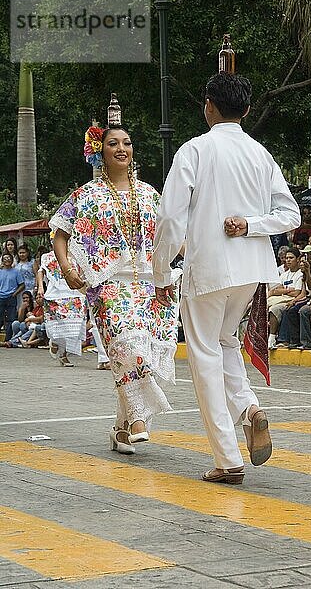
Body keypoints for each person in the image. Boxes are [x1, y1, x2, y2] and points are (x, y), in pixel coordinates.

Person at [152, 73, 301, 484]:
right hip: (250, 269)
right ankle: (249, 410)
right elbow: (291, 215)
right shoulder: (261, 154)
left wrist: (162, 270)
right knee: (225, 342)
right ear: (247, 110)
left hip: (208, 267)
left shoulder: (195, 150)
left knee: (204, 355)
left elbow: (169, 217)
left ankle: (227, 457)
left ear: (208, 106)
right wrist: (251, 225)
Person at [50, 125, 180, 454]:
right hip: (107, 284)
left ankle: (121, 430)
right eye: (113, 143)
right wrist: (67, 268)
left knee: (140, 351)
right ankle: (137, 417)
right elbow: (59, 233)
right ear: (100, 151)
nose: (121, 148)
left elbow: (172, 235)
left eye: (127, 142)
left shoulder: (150, 194)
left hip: (149, 284)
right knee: (127, 342)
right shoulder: (87, 195)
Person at [37, 248, 87, 367]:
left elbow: (82, 273)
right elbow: (41, 271)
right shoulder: (48, 256)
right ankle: (56, 344)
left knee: (72, 325)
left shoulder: (76, 255)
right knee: (59, 323)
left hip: (73, 293)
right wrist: (40, 287)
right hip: (55, 293)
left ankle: (63, 352)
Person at [267, 247, 303, 349]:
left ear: (298, 259)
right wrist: (288, 290)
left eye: (291, 258)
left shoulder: (300, 274)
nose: (288, 260)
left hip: (290, 300)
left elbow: (297, 293)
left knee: (274, 309)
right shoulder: (283, 274)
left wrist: (283, 290)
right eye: (287, 258)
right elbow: (275, 290)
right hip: (281, 298)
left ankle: (272, 338)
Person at [0, 253, 25, 340]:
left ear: (12, 260)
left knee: (11, 318)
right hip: (1, 297)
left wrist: (14, 293)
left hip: (11, 297)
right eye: (5, 258)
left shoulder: (16, 271)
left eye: (9, 258)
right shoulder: (0, 271)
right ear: (2, 260)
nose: (7, 260)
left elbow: (22, 285)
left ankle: (8, 339)